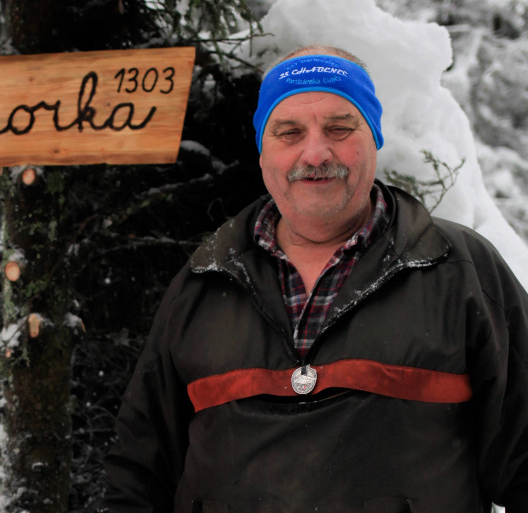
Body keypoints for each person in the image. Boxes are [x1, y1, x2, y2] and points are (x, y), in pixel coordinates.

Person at [100, 45, 528, 512]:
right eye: (289, 133)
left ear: (374, 137)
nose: (316, 152)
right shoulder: (203, 283)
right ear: (263, 150)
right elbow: (138, 478)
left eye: (340, 128)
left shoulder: (460, 271)